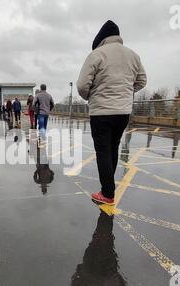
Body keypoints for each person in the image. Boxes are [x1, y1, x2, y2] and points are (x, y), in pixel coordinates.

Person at [77, 20, 147, 206]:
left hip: (101, 111)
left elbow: (82, 85)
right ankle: (109, 187)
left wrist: (91, 95)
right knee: (113, 146)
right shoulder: (133, 55)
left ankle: (107, 193)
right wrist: (126, 91)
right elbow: (142, 81)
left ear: (101, 39)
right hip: (123, 111)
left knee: (102, 150)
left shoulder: (96, 54)